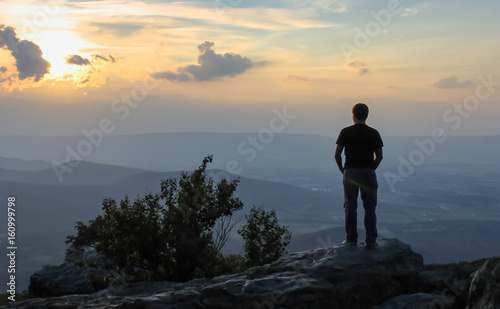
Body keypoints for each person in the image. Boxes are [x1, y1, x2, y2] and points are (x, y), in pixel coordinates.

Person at [335, 103, 383, 249]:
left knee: (350, 205)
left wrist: (342, 169)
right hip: (368, 172)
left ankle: (351, 240)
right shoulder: (374, 133)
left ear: (353, 114)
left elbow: (337, 154)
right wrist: (371, 169)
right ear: (367, 115)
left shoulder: (345, 132)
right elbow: (379, 156)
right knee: (370, 207)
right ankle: (371, 240)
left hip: (350, 172)